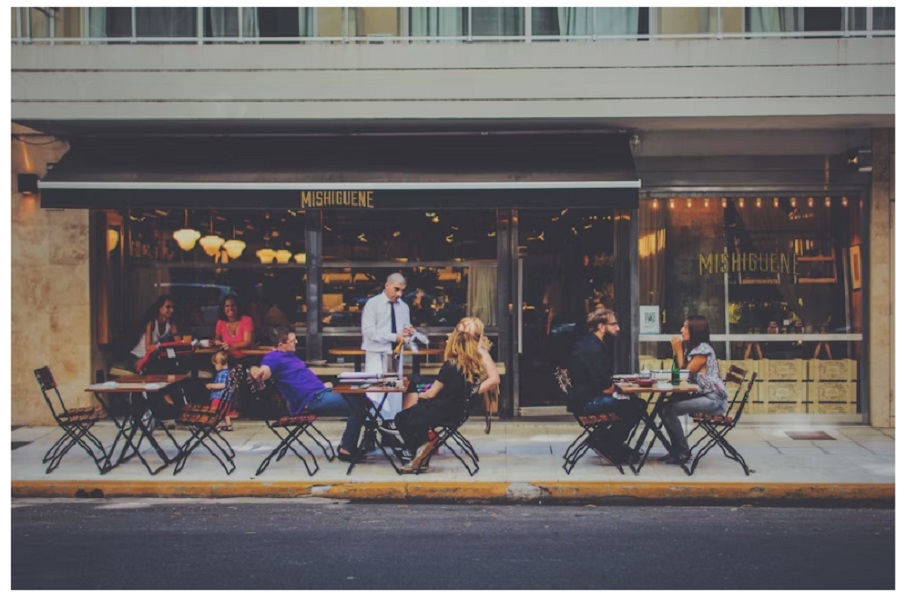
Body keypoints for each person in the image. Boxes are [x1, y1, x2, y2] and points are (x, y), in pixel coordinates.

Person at [390, 316, 500, 473]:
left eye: (458, 331)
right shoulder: (466, 358)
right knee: (415, 384)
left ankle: (419, 445)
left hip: (449, 406)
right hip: (455, 406)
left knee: (411, 408)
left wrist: (469, 393)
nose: (453, 333)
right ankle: (420, 447)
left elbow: (494, 378)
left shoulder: (476, 354)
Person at [250, 325, 364, 462]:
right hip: (311, 400)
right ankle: (347, 449)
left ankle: (350, 445)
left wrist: (324, 385)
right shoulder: (273, 357)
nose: (296, 342)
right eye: (292, 341)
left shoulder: (290, 355)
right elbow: (264, 371)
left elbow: (301, 379)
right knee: (358, 405)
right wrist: (255, 370)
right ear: (281, 345)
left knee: (361, 398)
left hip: (320, 392)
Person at [568, 307, 644, 465]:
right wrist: (625, 387)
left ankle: (603, 440)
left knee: (634, 404)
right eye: (614, 324)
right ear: (601, 327)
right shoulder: (593, 349)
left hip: (585, 398)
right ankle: (607, 444)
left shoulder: (591, 343)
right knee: (635, 406)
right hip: (588, 402)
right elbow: (605, 387)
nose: (618, 328)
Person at [658, 315, 728, 465]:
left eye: (685, 327)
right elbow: (683, 373)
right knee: (664, 407)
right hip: (703, 395)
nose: (681, 330)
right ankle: (676, 450)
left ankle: (682, 451)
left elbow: (685, 374)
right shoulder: (695, 348)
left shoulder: (703, 350)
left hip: (713, 399)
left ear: (694, 331)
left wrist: (677, 350)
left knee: (668, 410)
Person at [360, 273, 416, 420]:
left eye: (402, 290)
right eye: (396, 289)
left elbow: (405, 331)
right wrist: (393, 337)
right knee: (374, 391)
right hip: (376, 354)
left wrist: (409, 333)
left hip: (395, 355)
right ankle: (371, 430)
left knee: (394, 394)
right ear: (387, 285)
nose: (399, 294)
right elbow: (369, 331)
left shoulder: (404, 307)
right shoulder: (373, 304)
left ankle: (390, 427)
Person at [130, 294, 178, 372]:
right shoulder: (151, 322)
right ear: (160, 308)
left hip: (152, 357)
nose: (172, 310)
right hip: (139, 357)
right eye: (168, 307)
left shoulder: (171, 323)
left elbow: (178, 342)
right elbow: (148, 347)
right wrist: (163, 346)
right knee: (153, 370)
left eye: (173, 307)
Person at [214, 294, 255, 360]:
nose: (230, 308)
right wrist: (218, 342)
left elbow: (247, 342)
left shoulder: (247, 320)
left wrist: (232, 346)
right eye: (227, 306)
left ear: (238, 307)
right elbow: (216, 339)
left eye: (233, 305)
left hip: (246, 358)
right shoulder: (220, 322)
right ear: (223, 309)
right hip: (227, 358)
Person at [206, 350, 234, 431]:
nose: (214, 367)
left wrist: (211, 386)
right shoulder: (228, 372)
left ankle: (216, 425)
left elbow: (223, 385)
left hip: (218, 396)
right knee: (226, 412)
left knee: (215, 412)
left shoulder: (222, 373)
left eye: (215, 365)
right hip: (227, 398)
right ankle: (228, 425)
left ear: (219, 363)